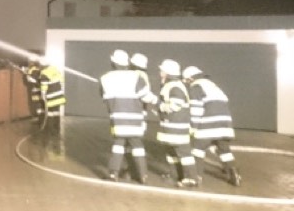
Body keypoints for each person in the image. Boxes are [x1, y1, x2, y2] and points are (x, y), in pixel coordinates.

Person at [99, 49, 153, 183]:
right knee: (137, 145)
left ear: (113, 62)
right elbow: (146, 97)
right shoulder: (136, 77)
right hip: (135, 119)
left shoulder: (104, 78)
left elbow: (103, 97)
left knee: (118, 144)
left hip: (117, 119)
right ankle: (143, 175)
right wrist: (158, 102)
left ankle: (113, 174)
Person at [183, 66, 241, 186]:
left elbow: (196, 110)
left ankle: (196, 177)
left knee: (197, 149)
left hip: (209, 123)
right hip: (225, 124)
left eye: (186, 80)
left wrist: (193, 128)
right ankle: (235, 175)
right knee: (224, 150)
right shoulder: (212, 86)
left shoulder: (196, 87)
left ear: (190, 78)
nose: (186, 83)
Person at [156, 59, 199, 188]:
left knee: (184, 153)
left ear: (167, 72)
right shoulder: (171, 85)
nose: (160, 72)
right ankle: (176, 174)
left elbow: (175, 104)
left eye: (162, 70)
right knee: (171, 152)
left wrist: (160, 106)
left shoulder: (175, 86)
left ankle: (191, 178)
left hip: (177, 127)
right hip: (171, 126)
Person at [38, 56, 66, 128]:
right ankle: (57, 128)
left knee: (50, 113)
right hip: (59, 95)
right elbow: (62, 81)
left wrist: (43, 96)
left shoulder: (44, 73)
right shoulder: (55, 69)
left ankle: (49, 128)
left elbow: (44, 86)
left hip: (51, 96)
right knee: (56, 112)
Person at [24, 56, 45, 122]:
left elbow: (33, 80)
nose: (29, 62)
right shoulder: (31, 70)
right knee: (34, 104)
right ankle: (37, 117)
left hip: (35, 90)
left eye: (30, 61)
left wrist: (26, 75)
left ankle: (39, 118)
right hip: (32, 90)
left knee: (36, 104)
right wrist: (25, 74)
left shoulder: (35, 70)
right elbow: (26, 82)